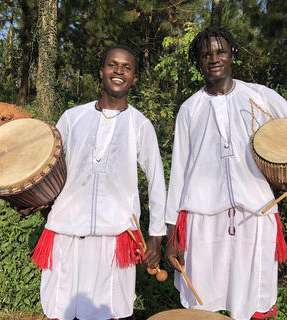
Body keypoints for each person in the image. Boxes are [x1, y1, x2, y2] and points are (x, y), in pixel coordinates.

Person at [30, 45, 166, 320]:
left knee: (109, 312)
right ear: (101, 71)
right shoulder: (72, 117)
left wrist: (156, 237)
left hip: (115, 234)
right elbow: (49, 165)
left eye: (127, 68)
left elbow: (156, 181)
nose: (119, 71)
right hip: (66, 230)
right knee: (60, 309)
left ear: (135, 78)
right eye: (113, 65)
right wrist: (38, 201)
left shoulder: (141, 125)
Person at [165, 26, 287, 320]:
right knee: (204, 300)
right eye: (206, 54)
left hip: (255, 214)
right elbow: (178, 171)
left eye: (220, 51)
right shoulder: (190, 109)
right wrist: (172, 233)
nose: (214, 58)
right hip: (202, 220)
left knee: (254, 296)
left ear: (232, 55)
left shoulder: (261, 97)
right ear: (199, 61)